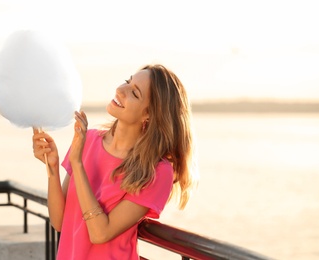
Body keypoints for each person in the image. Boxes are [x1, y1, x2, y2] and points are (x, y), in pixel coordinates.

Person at [32, 64, 196, 259]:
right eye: (128, 81)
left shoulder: (158, 171)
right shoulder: (89, 140)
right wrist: (52, 167)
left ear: (149, 114)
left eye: (134, 93)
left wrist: (77, 164)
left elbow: (100, 233)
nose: (120, 90)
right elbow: (59, 221)